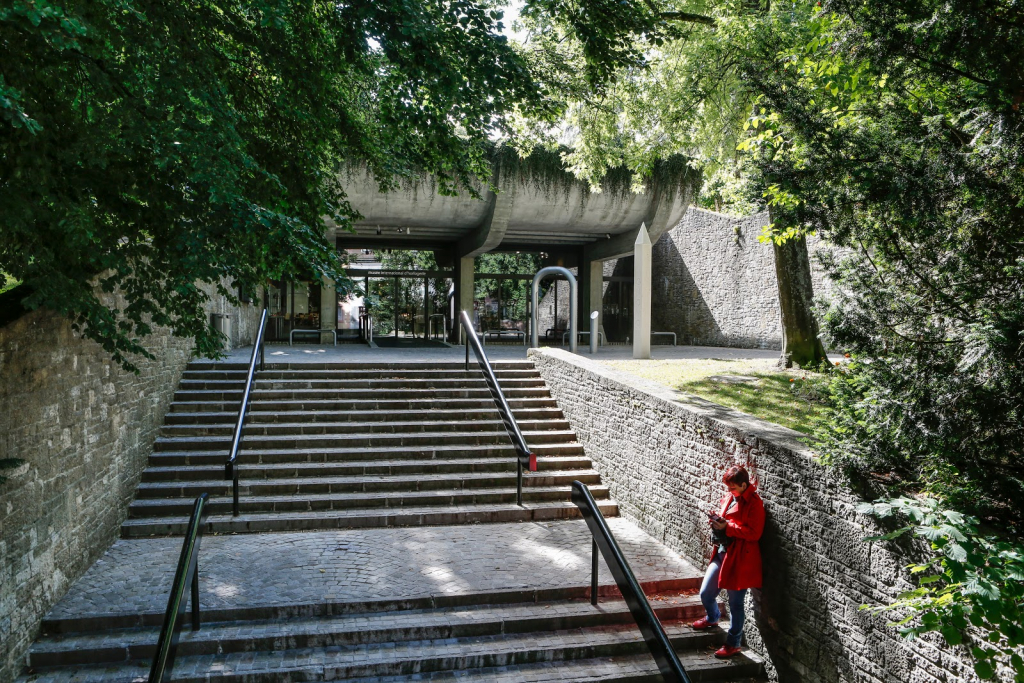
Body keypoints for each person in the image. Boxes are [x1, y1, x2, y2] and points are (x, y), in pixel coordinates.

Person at [691, 464, 765, 658]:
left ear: (743, 484)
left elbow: (755, 533)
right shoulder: (732, 496)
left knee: (735, 603)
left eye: (732, 487)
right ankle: (713, 617)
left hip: (740, 558)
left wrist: (728, 527)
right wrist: (717, 522)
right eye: (728, 488)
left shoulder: (754, 503)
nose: (729, 491)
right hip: (722, 552)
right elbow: (728, 519)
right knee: (706, 592)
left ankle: (733, 643)